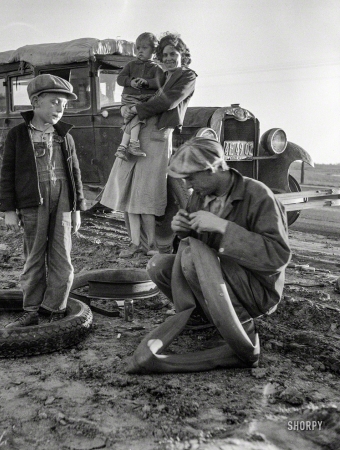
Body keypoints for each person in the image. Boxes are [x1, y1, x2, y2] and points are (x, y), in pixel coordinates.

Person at [126, 137, 292, 373]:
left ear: (212, 169)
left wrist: (222, 227)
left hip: (256, 289)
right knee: (158, 265)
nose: (187, 184)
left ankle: (240, 327)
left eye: (191, 177)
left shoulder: (258, 195)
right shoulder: (201, 195)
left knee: (193, 261)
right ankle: (204, 318)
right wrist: (183, 229)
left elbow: (277, 257)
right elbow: (195, 244)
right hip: (217, 279)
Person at [0, 74, 86, 328]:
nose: (60, 109)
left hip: (63, 202)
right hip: (32, 202)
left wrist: (78, 209)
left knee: (63, 258)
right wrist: (9, 210)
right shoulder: (17, 135)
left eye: (64, 105)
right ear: (36, 102)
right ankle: (32, 310)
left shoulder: (64, 136)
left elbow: (75, 174)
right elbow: (7, 174)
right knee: (34, 257)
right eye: (55, 102)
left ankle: (54, 310)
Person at [101, 32, 197, 258]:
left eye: (174, 54)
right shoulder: (159, 73)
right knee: (128, 189)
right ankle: (135, 243)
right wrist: (125, 109)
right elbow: (135, 91)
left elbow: (166, 101)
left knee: (147, 193)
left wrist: (134, 109)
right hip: (137, 130)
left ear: (182, 55)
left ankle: (152, 245)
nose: (169, 58)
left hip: (156, 136)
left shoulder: (187, 77)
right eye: (165, 54)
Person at [115, 32, 164, 161]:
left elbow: (160, 82)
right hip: (130, 98)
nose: (140, 51)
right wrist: (130, 82)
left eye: (144, 48)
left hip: (144, 100)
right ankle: (132, 144)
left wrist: (147, 82)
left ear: (153, 51)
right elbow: (120, 79)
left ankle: (122, 147)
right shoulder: (130, 65)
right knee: (137, 117)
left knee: (135, 118)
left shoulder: (157, 68)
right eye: (138, 48)